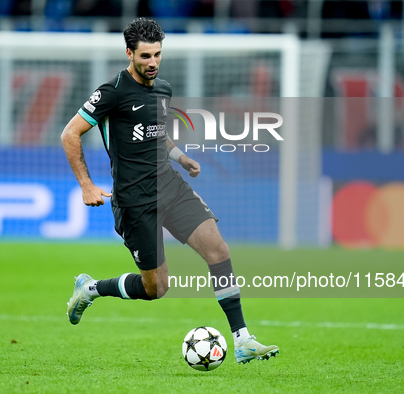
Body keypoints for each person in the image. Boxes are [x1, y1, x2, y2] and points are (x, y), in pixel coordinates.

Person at [61, 17, 279, 364]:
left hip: (170, 186)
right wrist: (86, 185)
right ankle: (90, 289)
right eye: (145, 56)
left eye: (157, 55)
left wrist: (180, 157)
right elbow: (70, 134)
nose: (152, 63)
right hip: (135, 201)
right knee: (156, 288)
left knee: (218, 250)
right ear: (129, 53)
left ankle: (243, 340)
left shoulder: (162, 88)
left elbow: (157, 132)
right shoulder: (112, 92)